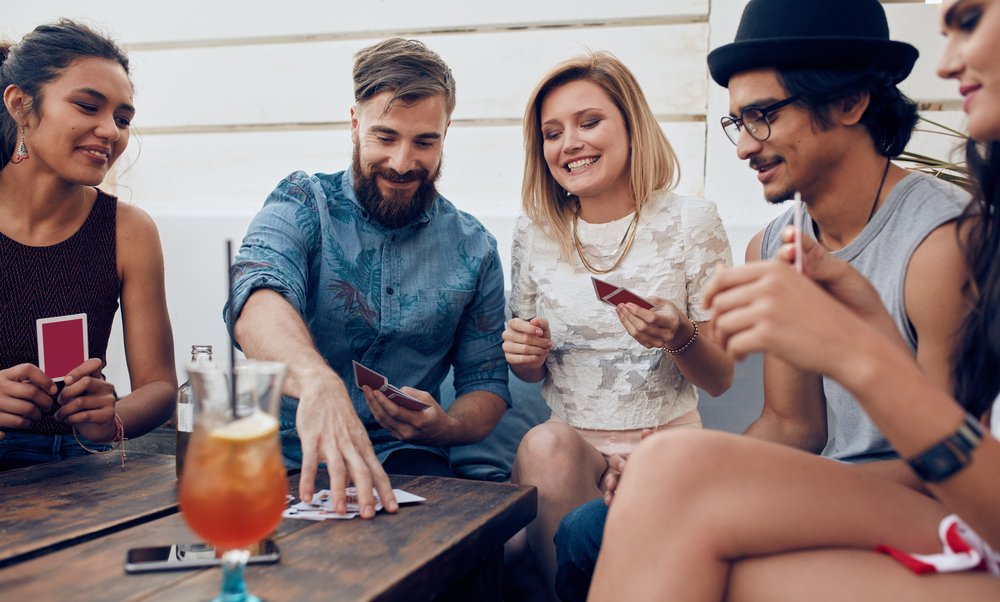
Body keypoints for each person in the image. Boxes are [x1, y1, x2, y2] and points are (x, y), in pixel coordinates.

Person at [553, 1, 972, 598]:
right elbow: (792, 424)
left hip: (924, 501)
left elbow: (952, 467)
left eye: (764, 116)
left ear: (851, 102)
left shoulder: (941, 244)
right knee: (589, 529)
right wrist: (682, 472)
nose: (745, 146)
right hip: (822, 481)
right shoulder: (775, 243)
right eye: (737, 123)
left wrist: (708, 479)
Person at [225, 38, 510, 517]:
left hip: (408, 461)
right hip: (277, 453)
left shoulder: (475, 247)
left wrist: (445, 427)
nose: (402, 163)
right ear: (354, 125)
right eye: (385, 137)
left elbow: (486, 384)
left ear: (446, 133)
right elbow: (256, 297)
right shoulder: (302, 201)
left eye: (425, 142)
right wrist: (318, 383)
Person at [502, 51, 734, 600]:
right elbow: (534, 374)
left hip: (666, 448)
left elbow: (721, 377)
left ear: (631, 125)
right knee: (544, 445)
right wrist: (525, 357)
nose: (570, 144)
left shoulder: (690, 222)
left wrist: (679, 337)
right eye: (552, 133)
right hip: (569, 455)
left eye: (589, 122)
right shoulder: (532, 234)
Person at [0, 20, 177, 470]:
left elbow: (159, 388)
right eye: (87, 106)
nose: (111, 131)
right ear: (21, 105)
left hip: (77, 470)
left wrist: (111, 417)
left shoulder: (129, 230)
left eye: (122, 119)